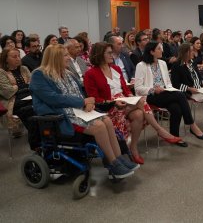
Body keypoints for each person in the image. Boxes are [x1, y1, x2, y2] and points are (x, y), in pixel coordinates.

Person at [30, 44, 137, 178]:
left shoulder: (67, 73)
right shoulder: (39, 75)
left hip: (78, 111)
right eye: (65, 55)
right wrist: (82, 102)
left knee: (107, 121)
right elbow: (53, 99)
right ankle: (113, 163)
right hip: (62, 116)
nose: (69, 58)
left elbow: (80, 93)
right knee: (99, 127)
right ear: (55, 58)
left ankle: (119, 159)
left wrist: (87, 103)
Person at [84, 42, 181, 164]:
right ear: (99, 54)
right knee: (141, 101)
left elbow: (125, 89)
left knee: (139, 114)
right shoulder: (90, 74)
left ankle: (133, 147)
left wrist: (130, 97)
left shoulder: (115, 69)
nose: (112, 55)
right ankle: (159, 130)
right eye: (109, 53)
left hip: (124, 102)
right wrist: (115, 102)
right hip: (108, 107)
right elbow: (94, 98)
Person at [134, 41, 203, 146]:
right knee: (181, 95)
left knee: (176, 108)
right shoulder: (141, 65)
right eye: (159, 49)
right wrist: (153, 89)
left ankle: (175, 136)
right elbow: (138, 88)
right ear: (151, 52)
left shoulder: (162, 63)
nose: (162, 51)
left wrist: (170, 89)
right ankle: (192, 125)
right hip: (150, 96)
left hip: (165, 93)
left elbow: (168, 83)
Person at [171, 44, 203, 136]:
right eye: (191, 51)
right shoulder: (176, 65)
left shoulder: (192, 62)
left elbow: (197, 76)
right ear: (185, 52)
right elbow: (175, 84)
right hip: (189, 91)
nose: (193, 53)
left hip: (199, 88)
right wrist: (189, 88)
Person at [0, 48, 34, 138]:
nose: (18, 58)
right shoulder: (1, 72)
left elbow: (33, 85)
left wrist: (16, 87)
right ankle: (36, 139)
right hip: (12, 101)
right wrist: (25, 85)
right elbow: (8, 91)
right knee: (29, 109)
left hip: (29, 97)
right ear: (6, 59)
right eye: (14, 57)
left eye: (18, 56)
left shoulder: (24, 68)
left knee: (32, 107)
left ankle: (37, 137)